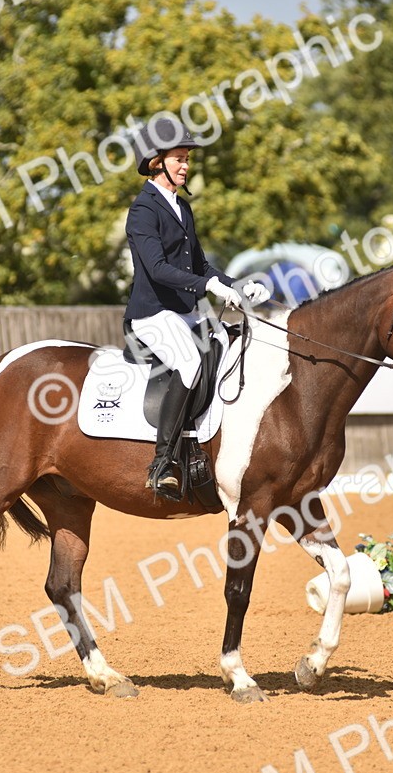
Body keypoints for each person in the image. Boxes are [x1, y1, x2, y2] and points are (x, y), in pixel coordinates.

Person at [124, 116, 269, 499]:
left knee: (235, 350)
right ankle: (163, 461)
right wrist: (209, 286)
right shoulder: (143, 211)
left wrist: (237, 284)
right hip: (153, 314)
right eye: (178, 158)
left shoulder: (182, 208)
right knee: (190, 364)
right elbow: (157, 269)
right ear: (157, 162)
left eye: (187, 158)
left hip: (189, 312)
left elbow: (201, 266)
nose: (185, 165)